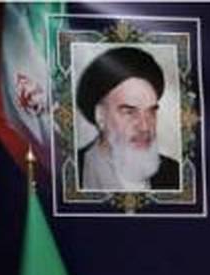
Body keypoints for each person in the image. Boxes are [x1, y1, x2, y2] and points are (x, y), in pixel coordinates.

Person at [75, 46, 180, 191]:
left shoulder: (174, 174)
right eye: (130, 112)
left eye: (151, 112)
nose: (144, 127)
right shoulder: (72, 171)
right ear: (100, 116)